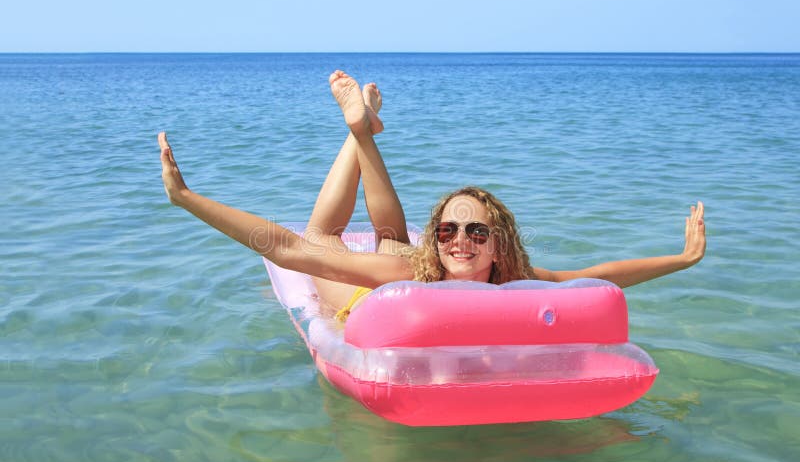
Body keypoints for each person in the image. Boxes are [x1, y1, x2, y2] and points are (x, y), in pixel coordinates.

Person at [159, 70, 706, 319]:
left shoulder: (510, 276)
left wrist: (682, 260)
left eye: (474, 231)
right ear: (439, 240)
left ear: (497, 242)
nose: (459, 240)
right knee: (322, 238)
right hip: (364, 306)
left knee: (394, 239)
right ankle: (358, 130)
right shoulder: (402, 278)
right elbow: (286, 248)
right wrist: (188, 197)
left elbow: (597, 277)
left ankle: (361, 129)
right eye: (447, 230)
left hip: (403, 267)